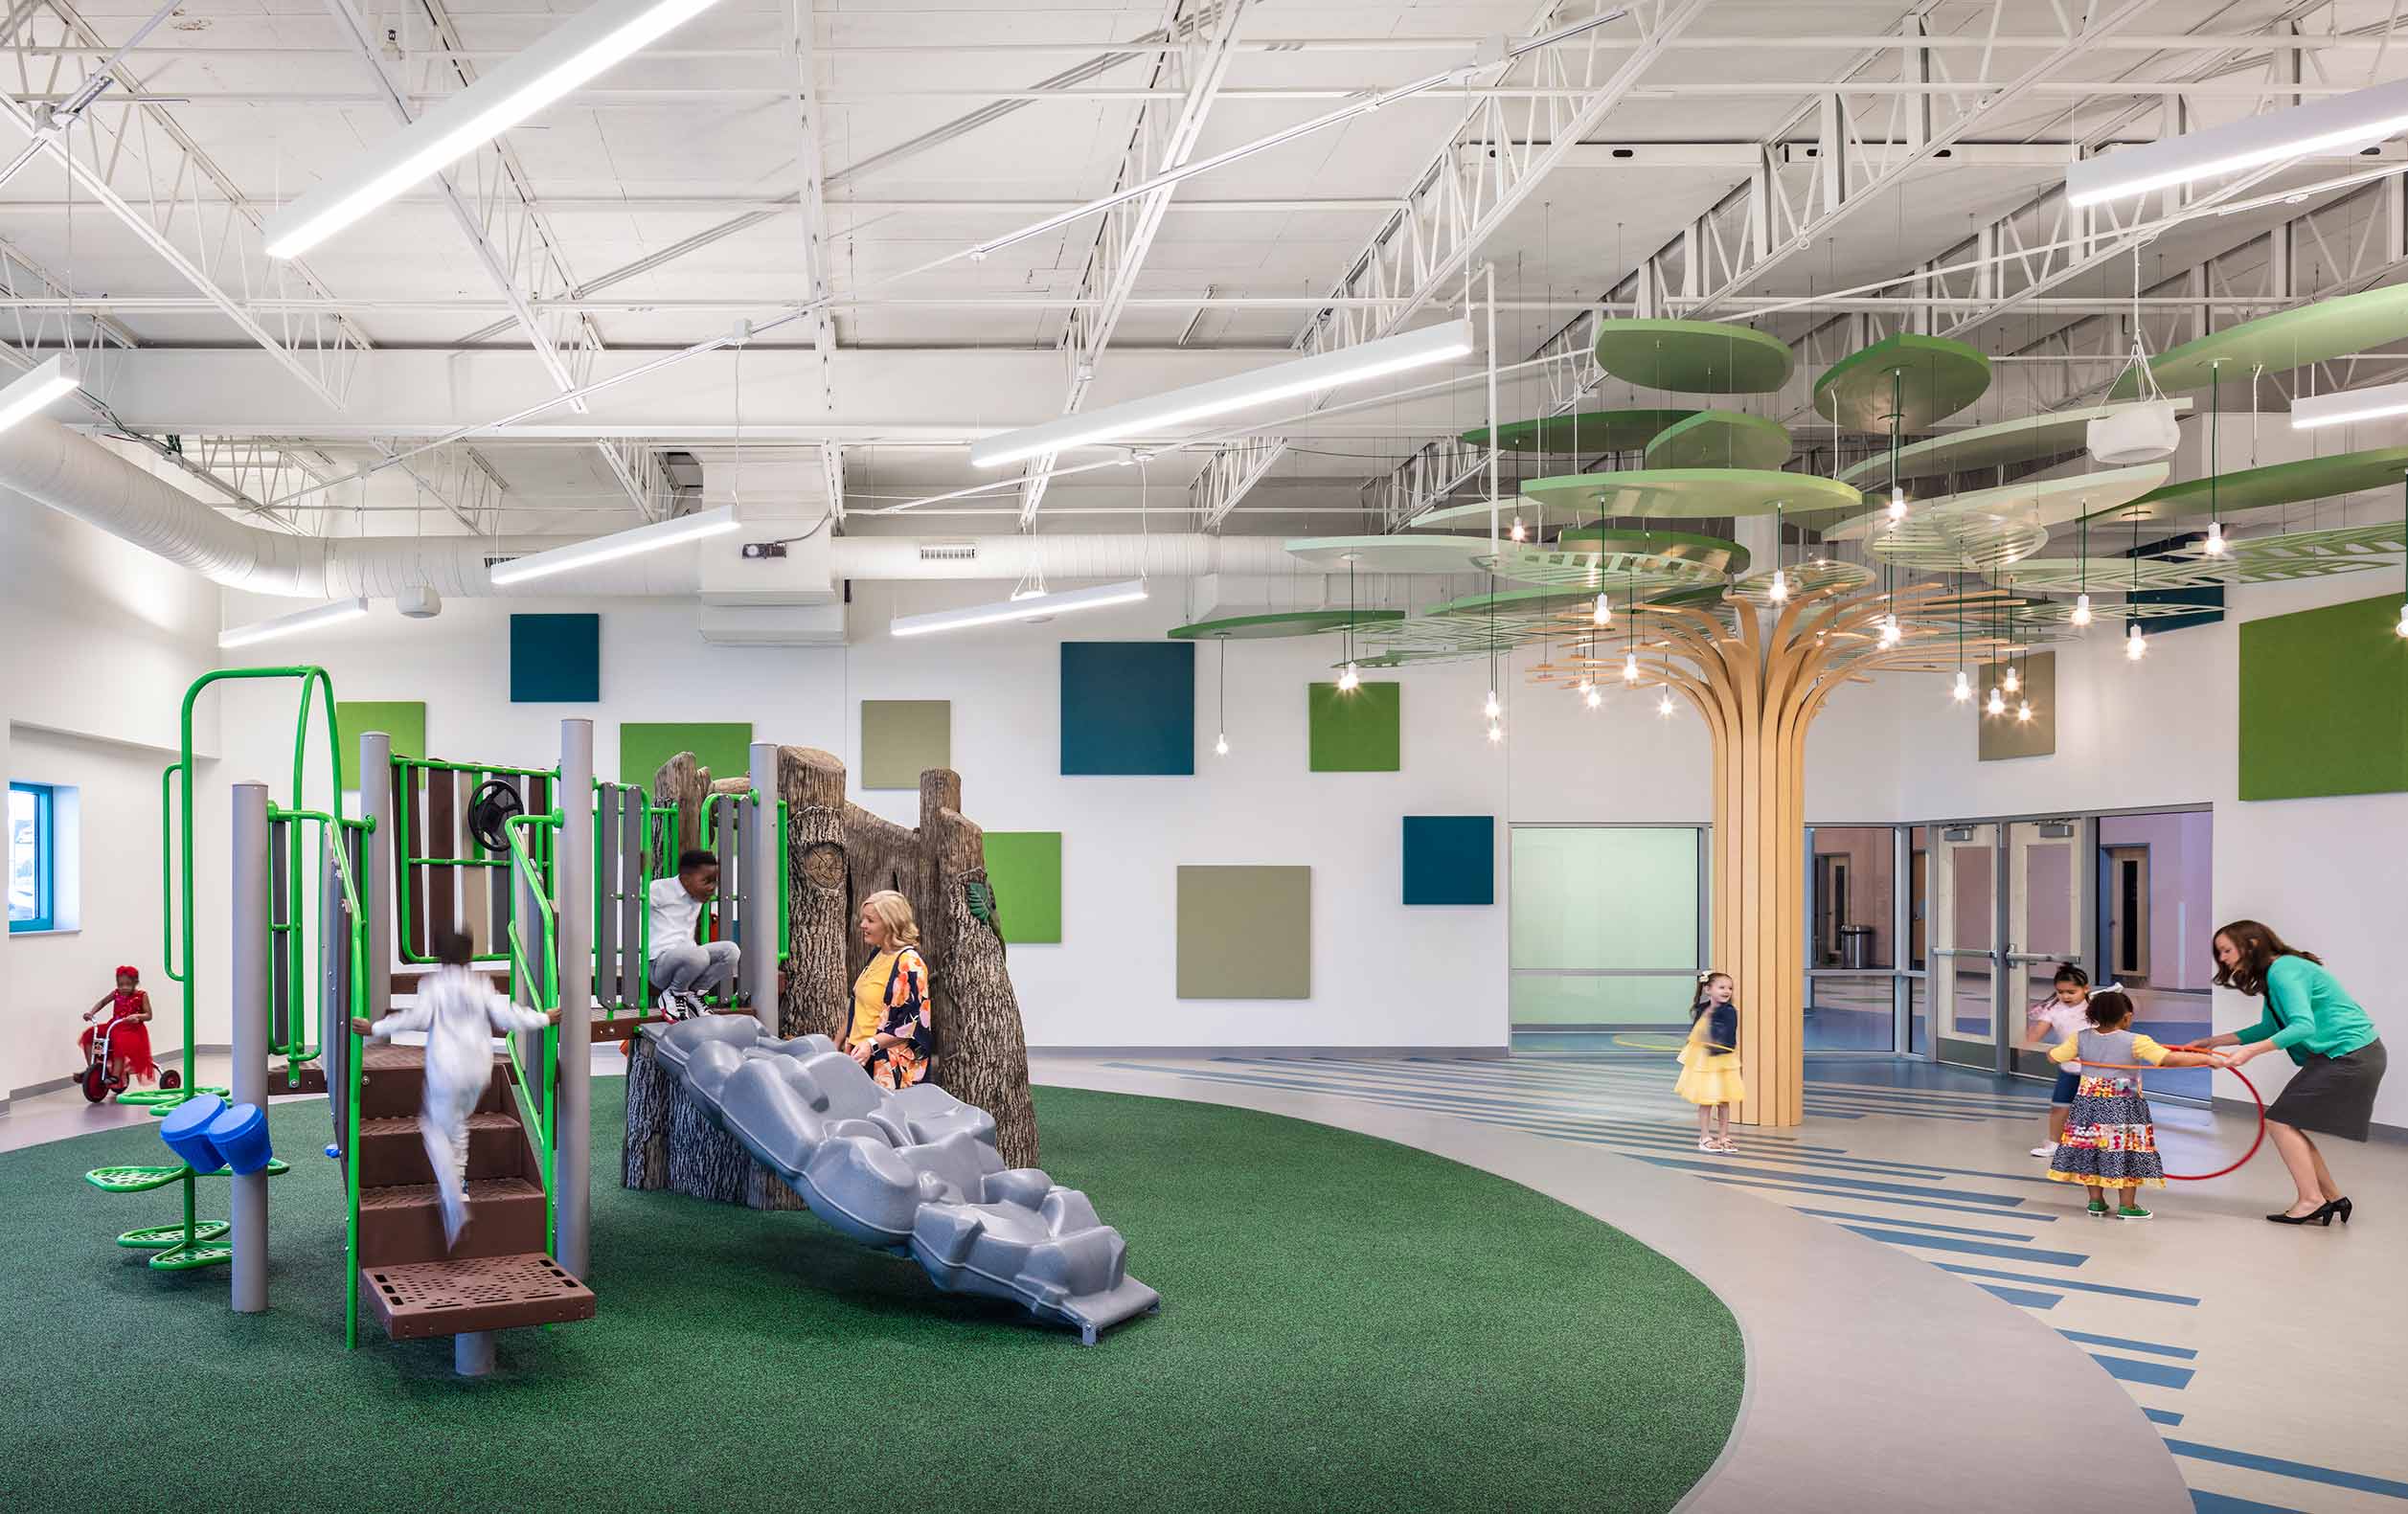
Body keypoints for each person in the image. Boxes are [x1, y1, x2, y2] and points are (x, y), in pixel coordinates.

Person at [353, 929, 558, 1248]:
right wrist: (543, 1019)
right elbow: (507, 1015)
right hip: (479, 1072)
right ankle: (460, 1185)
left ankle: (453, 1202)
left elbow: (414, 1019)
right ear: (471, 956)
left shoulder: (433, 987)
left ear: (438, 957)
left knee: (433, 1128)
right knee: (459, 1126)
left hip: (447, 1072)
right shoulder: (481, 985)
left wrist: (375, 1028)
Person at [2192, 920, 2386, 1226]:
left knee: (2281, 1121)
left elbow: (2303, 1026)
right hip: (2343, 1054)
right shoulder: (2276, 974)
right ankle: (2332, 1198)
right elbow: (2270, 1027)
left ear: (2252, 944)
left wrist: (2247, 1053)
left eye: (2227, 950)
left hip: (2351, 1055)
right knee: (2287, 1122)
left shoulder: (2284, 971)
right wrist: (2213, 1041)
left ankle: (2311, 1200)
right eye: (2220, 953)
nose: (2223, 959)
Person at [2046, 986, 2229, 1220]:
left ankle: (2096, 1202)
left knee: (2090, 1150)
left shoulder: (2079, 1038)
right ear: (2127, 1017)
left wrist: (2056, 1052)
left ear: (2092, 1015)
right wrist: (2206, 1059)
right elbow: (2167, 1059)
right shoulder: (2136, 1041)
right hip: (2123, 1105)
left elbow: (2054, 1057)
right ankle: (2127, 1206)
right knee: (2127, 1151)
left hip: (2087, 1104)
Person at [845, 890, 933, 1091]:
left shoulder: (910, 965)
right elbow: (859, 1001)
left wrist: (871, 1044)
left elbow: (909, 1027)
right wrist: (839, 1040)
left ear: (890, 923)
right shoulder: (878, 954)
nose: (862, 925)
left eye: (870, 920)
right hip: (860, 1058)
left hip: (888, 1069)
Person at [648, 848, 739, 1019]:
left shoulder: (696, 894)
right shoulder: (659, 889)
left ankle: (693, 994)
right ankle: (674, 993)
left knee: (731, 951)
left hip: (690, 960)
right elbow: (631, 905)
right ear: (685, 878)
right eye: (706, 881)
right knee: (699, 955)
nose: (712, 887)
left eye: (714, 882)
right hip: (659, 965)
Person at [1675, 971, 1744, 1154]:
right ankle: (1705, 1137)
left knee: (1723, 1099)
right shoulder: (1700, 1009)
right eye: (1721, 987)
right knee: (1705, 1099)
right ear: (1708, 989)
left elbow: (1728, 1035)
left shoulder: (1729, 1011)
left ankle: (1723, 1136)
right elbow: (1697, 1032)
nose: (1727, 991)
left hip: (1721, 1058)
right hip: (1704, 1060)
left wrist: (1715, 1046)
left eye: (1730, 988)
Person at [2027, 963, 2091, 1158]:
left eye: (2072, 992)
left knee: (2092, 1108)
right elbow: (2038, 1030)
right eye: (2061, 992)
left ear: (2085, 988)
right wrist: (2027, 1043)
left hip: (2095, 1068)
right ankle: (2054, 1143)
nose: (2066, 996)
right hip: (2069, 1067)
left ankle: (2093, 1145)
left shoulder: (2095, 1006)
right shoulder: (2053, 1009)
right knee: (2059, 1106)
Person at [78, 965, 157, 1092]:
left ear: (135, 983)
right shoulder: (116, 993)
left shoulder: (141, 995)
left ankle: (115, 1076)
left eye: (128, 984)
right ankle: (93, 1069)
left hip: (132, 1030)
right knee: (90, 1034)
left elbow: (149, 1015)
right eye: (121, 984)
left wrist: (137, 1016)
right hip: (114, 1026)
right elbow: (103, 1002)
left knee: (119, 1040)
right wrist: (91, 1013)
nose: (124, 988)